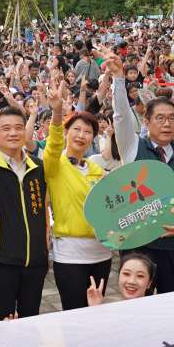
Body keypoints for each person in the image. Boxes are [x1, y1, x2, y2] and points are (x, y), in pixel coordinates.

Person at [109, 58, 174, 293]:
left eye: (172, 118)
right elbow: (120, 117)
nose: (167, 124)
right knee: (137, 303)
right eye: (160, 118)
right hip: (137, 245)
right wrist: (119, 80)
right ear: (147, 122)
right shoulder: (133, 148)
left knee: (171, 303)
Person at [0, 91, 49, 320]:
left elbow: (43, 208)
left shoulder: (37, 165)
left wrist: (43, 246)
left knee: (31, 320)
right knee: (3, 322)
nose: (14, 132)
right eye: (5, 128)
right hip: (2, 261)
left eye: (18, 127)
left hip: (35, 261)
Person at [43, 79, 113, 309]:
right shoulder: (55, 164)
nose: (82, 135)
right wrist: (56, 112)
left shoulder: (96, 169)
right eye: (77, 129)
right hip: (70, 254)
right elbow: (52, 146)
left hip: (102, 252)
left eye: (88, 131)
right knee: (74, 314)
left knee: (97, 312)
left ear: (94, 137)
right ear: (66, 132)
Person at [86, 252, 174, 304]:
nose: (131, 281)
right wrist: (95, 311)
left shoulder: (161, 312)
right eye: (126, 274)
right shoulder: (109, 315)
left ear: (150, 282)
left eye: (140, 276)